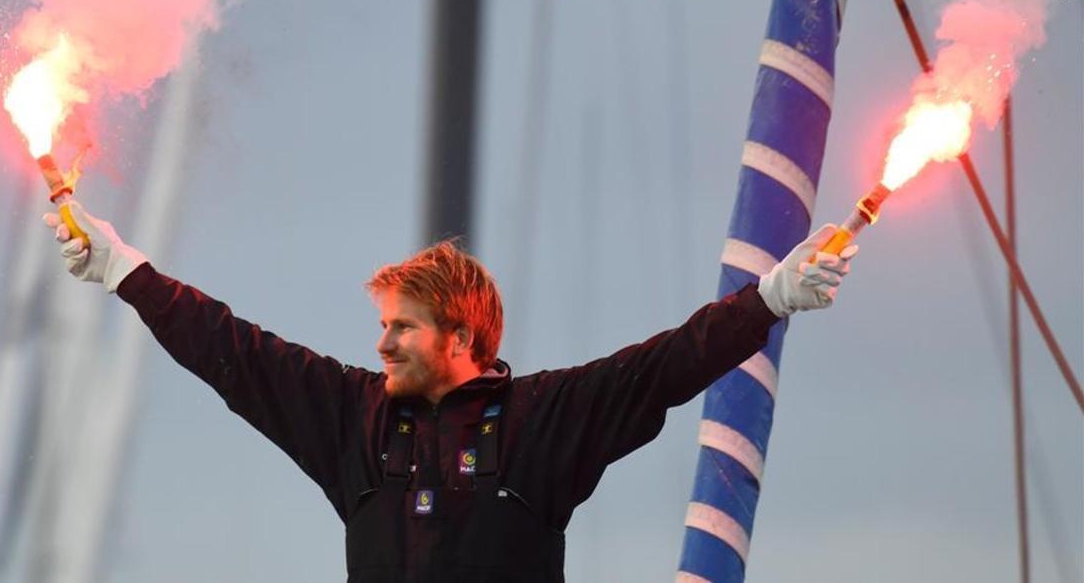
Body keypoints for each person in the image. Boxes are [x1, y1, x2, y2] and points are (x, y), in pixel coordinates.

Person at [45, 202, 857, 583]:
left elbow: (669, 362)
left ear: (461, 338)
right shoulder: (351, 417)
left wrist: (775, 295)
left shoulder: (544, 421)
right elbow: (230, 350)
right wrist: (124, 269)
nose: (381, 341)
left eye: (402, 326)